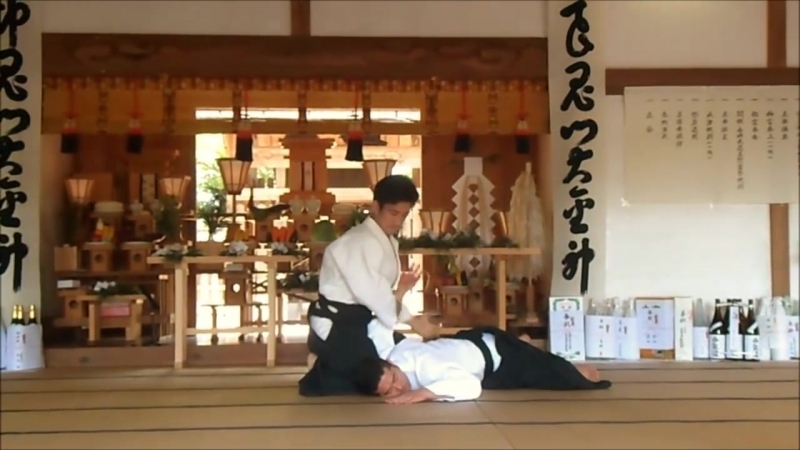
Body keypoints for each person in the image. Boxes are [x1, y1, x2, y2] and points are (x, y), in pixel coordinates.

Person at [298, 175, 438, 397]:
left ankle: (334, 361)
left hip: (360, 321)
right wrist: (412, 321)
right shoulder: (357, 242)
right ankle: (322, 365)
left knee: (399, 357)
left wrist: (402, 295)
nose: (398, 221)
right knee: (372, 380)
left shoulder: (384, 240)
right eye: (393, 213)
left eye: (404, 215)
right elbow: (373, 293)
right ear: (375, 206)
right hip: (337, 325)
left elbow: (378, 293)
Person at [350, 326, 611, 404]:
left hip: (499, 358)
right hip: (469, 344)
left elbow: (471, 386)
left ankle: (525, 346)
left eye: (395, 378)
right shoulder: (390, 354)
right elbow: (375, 325)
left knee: (580, 377)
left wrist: (423, 393)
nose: (399, 387)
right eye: (389, 391)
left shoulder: (425, 367)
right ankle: (524, 342)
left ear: (391, 365)